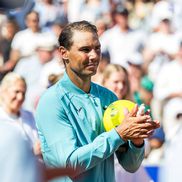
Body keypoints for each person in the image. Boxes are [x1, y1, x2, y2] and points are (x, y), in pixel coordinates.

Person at [35, 20, 160, 182]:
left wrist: (136, 139)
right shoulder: (51, 101)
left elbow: (130, 165)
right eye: (85, 50)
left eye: (97, 48)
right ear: (64, 53)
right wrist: (119, 134)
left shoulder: (108, 97)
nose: (94, 56)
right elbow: (69, 164)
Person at [0, 72, 41, 156]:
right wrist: (31, 153)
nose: (20, 97)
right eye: (16, 92)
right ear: (4, 91)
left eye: (23, 93)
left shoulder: (30, 116)